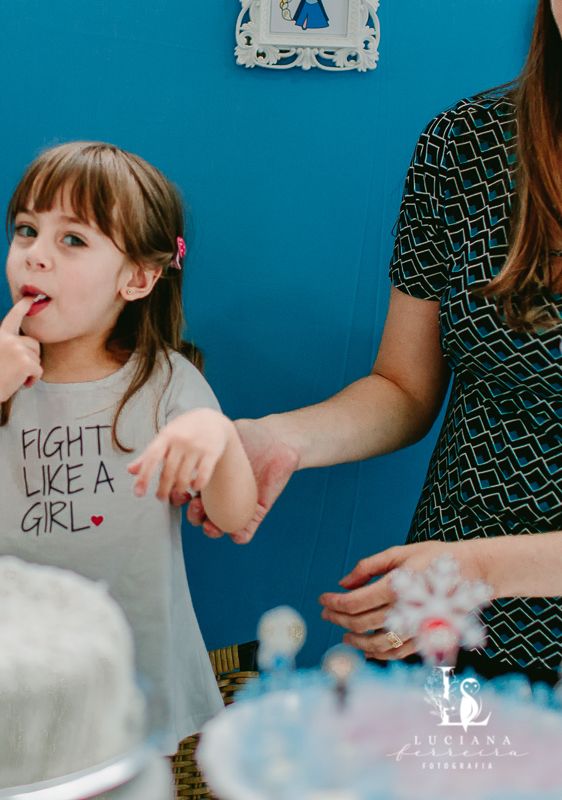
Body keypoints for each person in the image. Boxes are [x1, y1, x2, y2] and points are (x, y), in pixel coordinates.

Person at [187, 0, 562, 684]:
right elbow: (404, 387)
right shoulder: (465, 144)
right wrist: (282, 438)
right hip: (455, 628)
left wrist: (476, 568)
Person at [0, 142, 258, 753]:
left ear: (138, 278)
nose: (36, 257)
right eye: (27, 230)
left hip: (134, 673)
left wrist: (219, 433)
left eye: (72, 239)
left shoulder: (168, 383)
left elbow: (235, 515)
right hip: (20, 672)